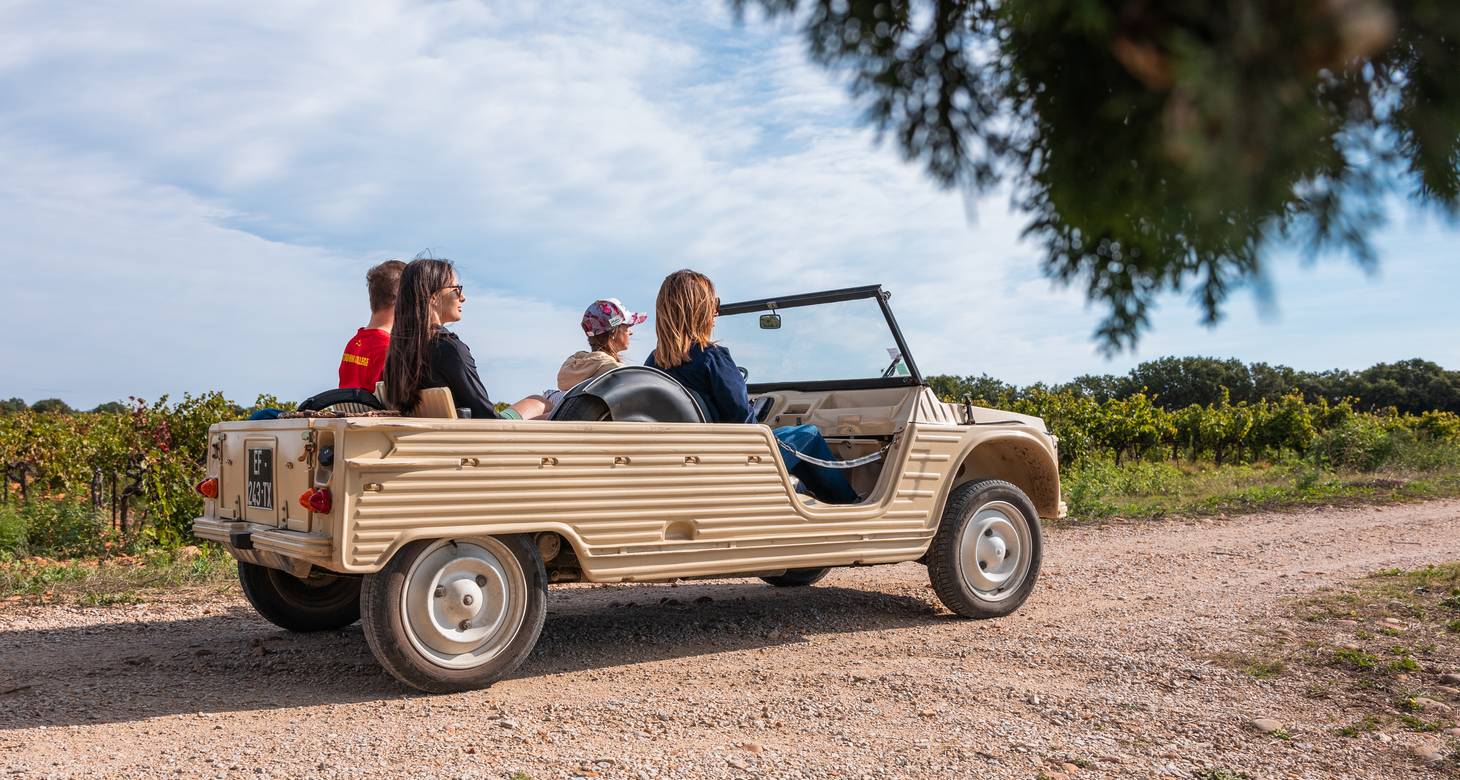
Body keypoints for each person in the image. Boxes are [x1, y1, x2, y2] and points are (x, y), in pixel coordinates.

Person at [645, 269, 859, 504]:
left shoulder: (653, 364)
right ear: (700, 310)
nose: (716, 311)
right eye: (713, 304)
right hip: (735, 463)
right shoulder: (712, 359)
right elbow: (746, 427)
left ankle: (806, 493)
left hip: (689, 463)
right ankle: (847, 503)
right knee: (808, 434)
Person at [382, 257, 550, 420]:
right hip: (478, 439)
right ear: (433, 297)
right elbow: (486, 419)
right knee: (542, 403)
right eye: (456, 290)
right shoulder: (448, 349)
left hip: (433, 440)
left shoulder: (400, 352)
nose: (462, 297)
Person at [338, 259, 406, 391]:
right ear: (402, 300)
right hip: (378, 412)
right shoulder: (390, 348)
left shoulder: (353, 344)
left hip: (351, 412)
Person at [556, 298, 648, 390]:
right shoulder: (620, 375)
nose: (631, 332)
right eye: (627, 326)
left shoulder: (572, 370)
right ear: (613, 332)